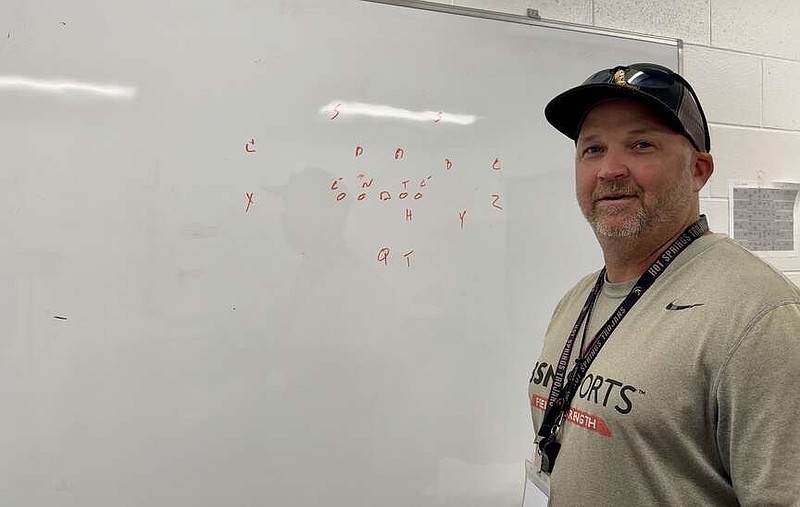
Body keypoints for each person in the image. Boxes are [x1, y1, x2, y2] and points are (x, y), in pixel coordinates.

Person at [527, 63, 800, 506]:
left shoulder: (759, 317)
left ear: (698, 170)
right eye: (592, 149)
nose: (609, 170)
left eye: (641, 144)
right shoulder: (575, 301)